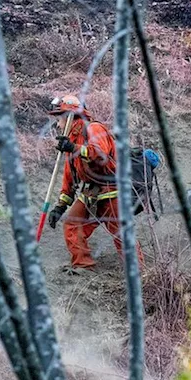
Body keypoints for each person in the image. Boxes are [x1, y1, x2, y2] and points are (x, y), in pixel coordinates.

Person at [46, 94, 138, 273]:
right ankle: (83, 267)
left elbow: (100, 154)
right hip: (92, 192)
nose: (57, 124)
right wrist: (60, 207)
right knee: (72, 224)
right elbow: (70, 178)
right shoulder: (70, 143)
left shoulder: (94, 129)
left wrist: (75, 149)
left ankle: (139, 273)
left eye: (59, 119)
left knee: (121, 234)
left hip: (113, 190)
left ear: (70, 116)